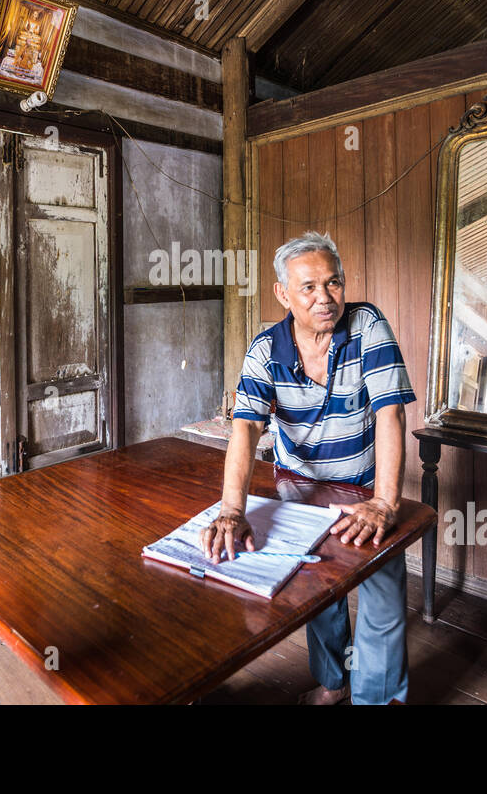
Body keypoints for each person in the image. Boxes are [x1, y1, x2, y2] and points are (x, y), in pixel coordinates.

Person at [198, 231, 416, 705]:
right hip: (298, 486)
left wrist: (383, 501)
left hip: (362, 488)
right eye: (309, 287)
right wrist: (231, 509)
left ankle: (377, 699)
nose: (325, 298)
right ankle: (334, 683)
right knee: (319, 592)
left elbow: (390, 413)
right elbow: (246, 430)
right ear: (283, 293)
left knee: (381, 592)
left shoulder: (366, 326)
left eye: (333, 283)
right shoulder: (264, 351)